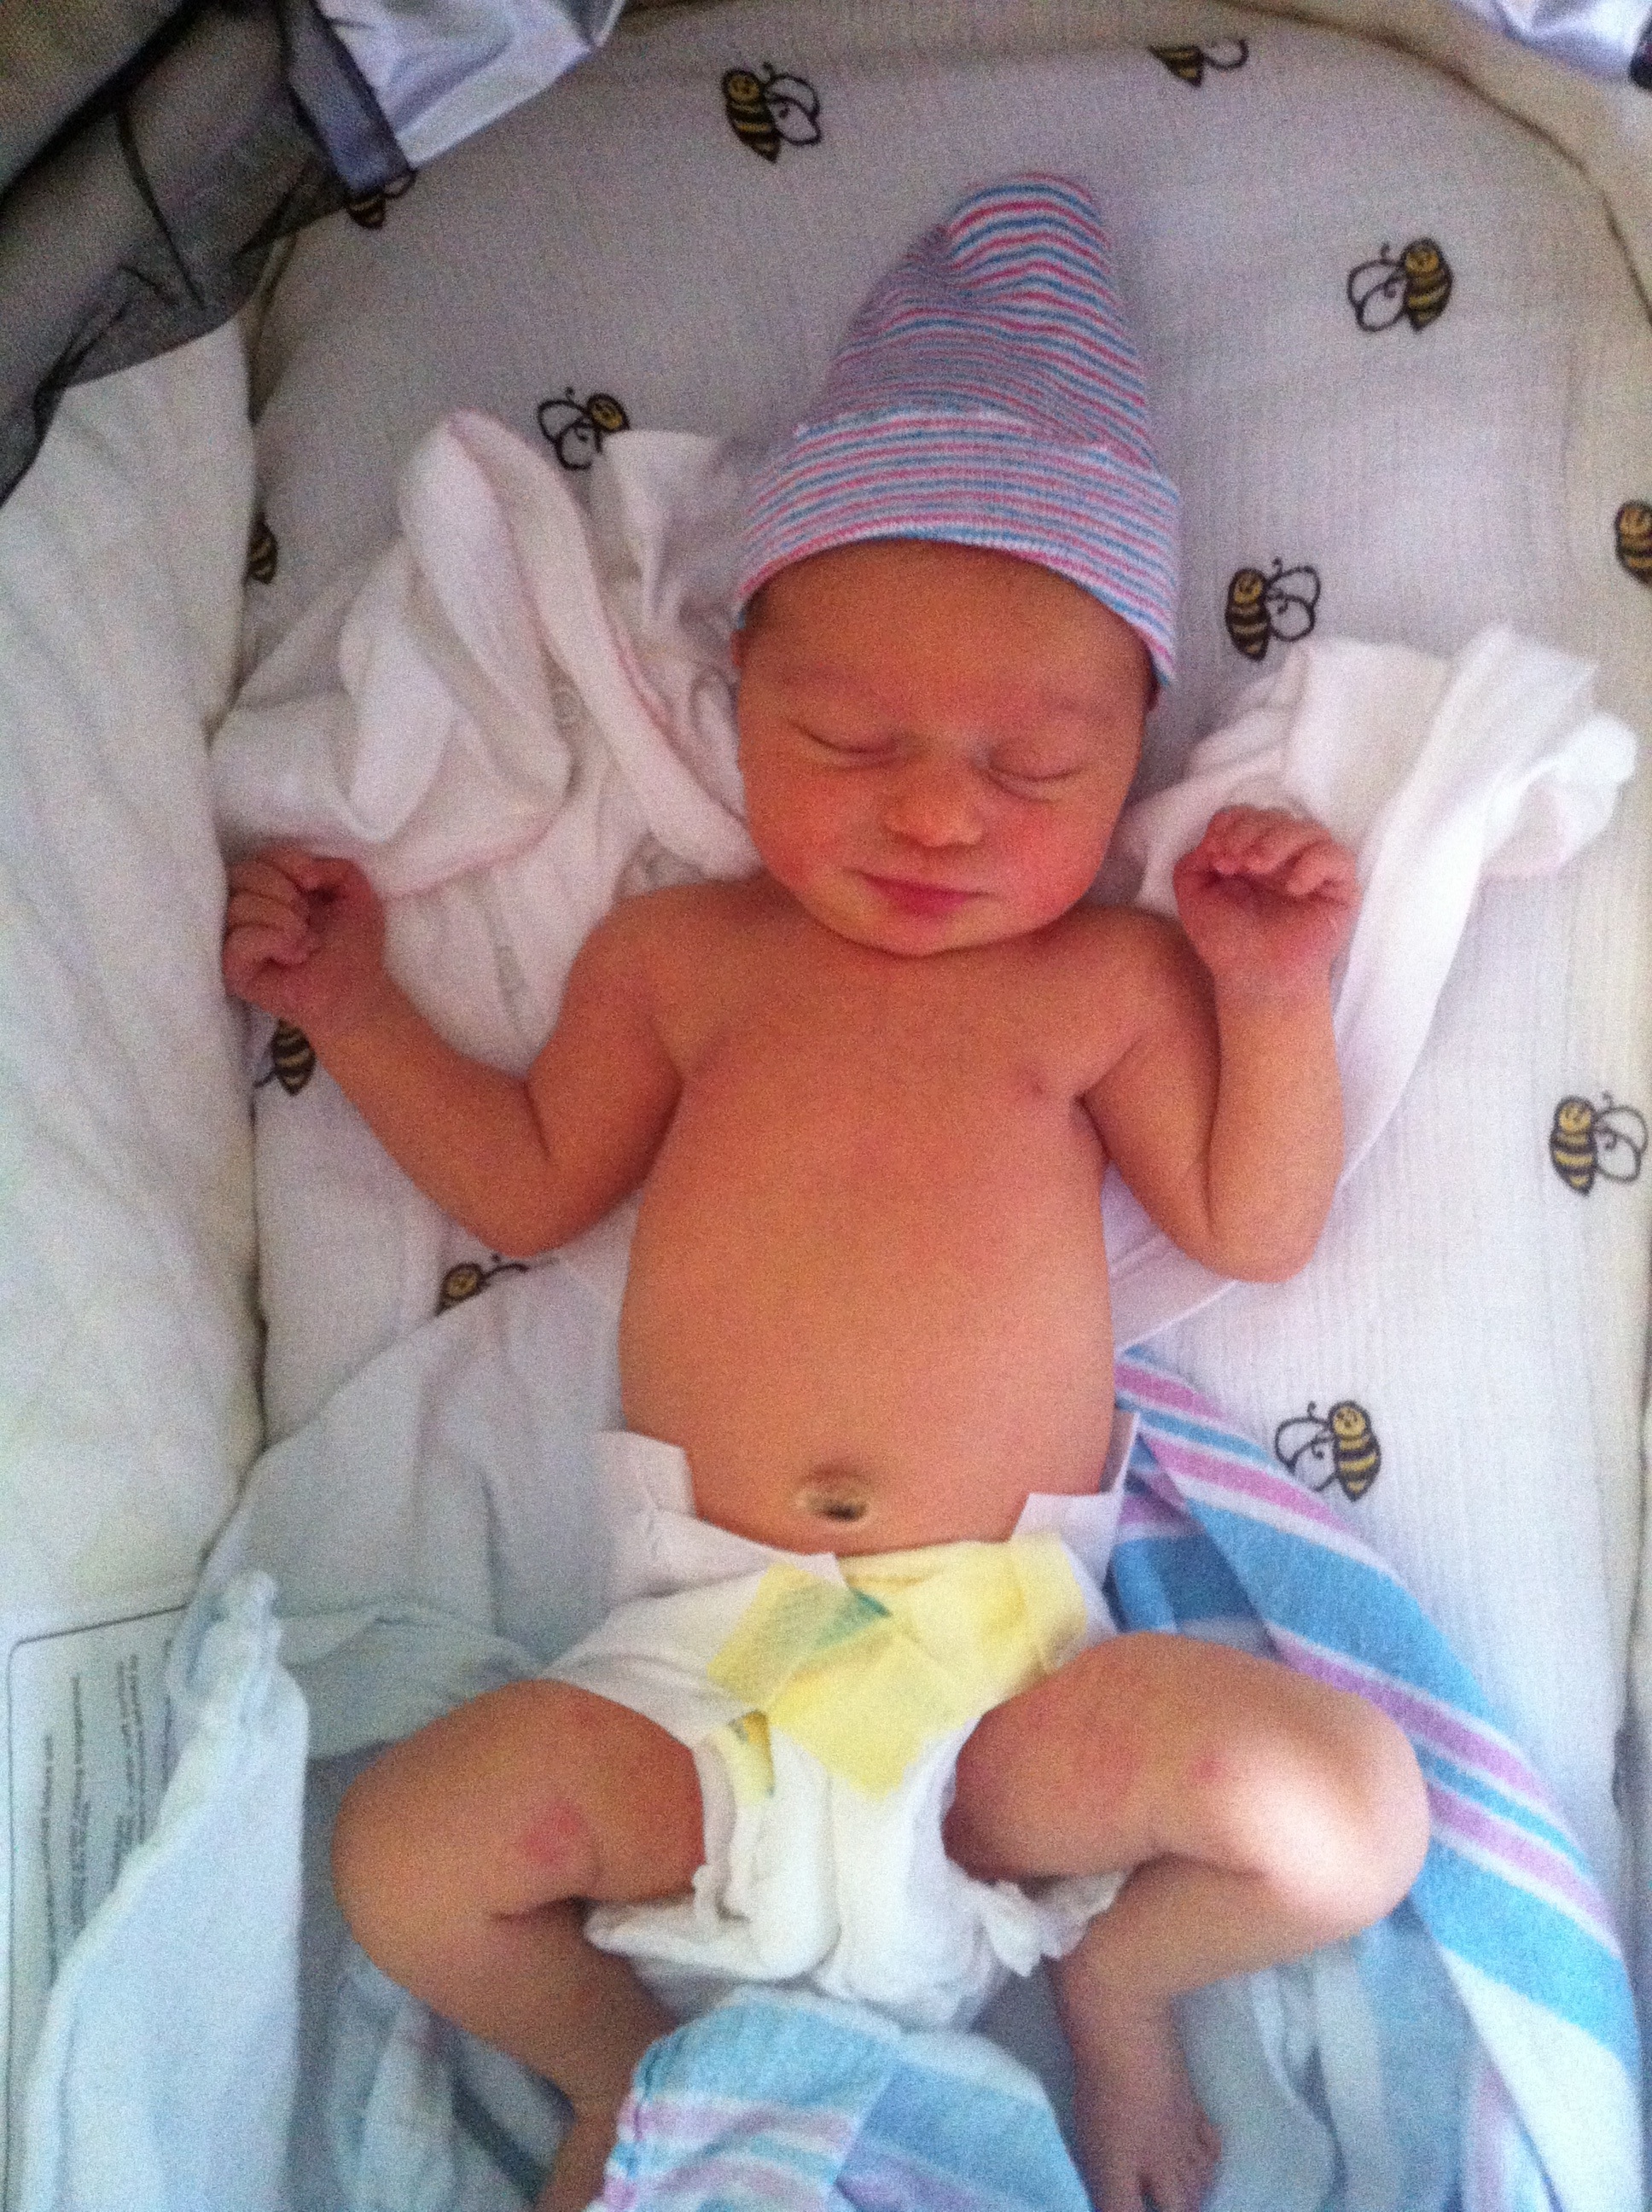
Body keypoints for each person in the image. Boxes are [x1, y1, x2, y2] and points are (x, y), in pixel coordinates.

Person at [222, 178, 1430, 2212]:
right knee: (405, 1860)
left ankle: (1118, 1997)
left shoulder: (1105, 981)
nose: (936, 810)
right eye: (847, 740)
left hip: (1003, 1709)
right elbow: (526, 1184)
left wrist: (1267, 991)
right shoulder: (683, 958)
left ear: (1132, 757)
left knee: (1342, 1813)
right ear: (735, 702)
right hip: (701, 1677)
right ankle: (617, 2076)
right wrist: (351, 1008)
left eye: (1032, 771)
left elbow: (1251, 1226)